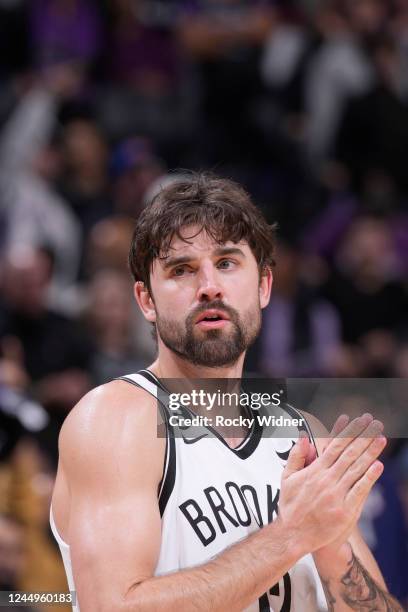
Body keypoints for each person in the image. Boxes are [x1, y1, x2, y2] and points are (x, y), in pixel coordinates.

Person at [50, 173, 402, 611]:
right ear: (146, 300)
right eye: (182, 270)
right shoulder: (117, 419)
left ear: (264, 287)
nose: (209, 286)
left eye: (227, 262)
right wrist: (292, 535)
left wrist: (332, 552)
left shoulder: (301, 434)